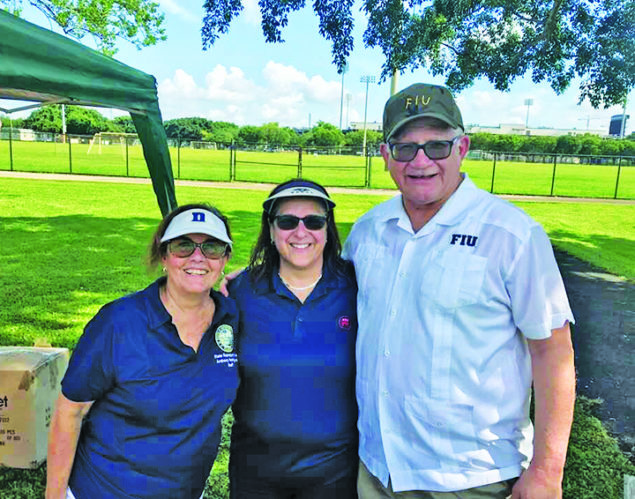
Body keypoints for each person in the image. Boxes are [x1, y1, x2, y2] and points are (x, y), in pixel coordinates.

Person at [343, 84, 576, 498]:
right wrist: (253, 283)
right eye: (404, 148)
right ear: (384, 156)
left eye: (437, 146)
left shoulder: (511, 235)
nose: (420, 161)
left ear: (462, 148)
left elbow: (552, 352)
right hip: (379, 470)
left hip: (471, 478)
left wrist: (545, 472)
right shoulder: (368, 232)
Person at [46, 204, 239, 499]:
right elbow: (70, 412)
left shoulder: (234, 317)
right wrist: (54, 495)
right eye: (183, 245)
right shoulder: (119, 323)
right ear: (164, 255)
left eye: (212, 247)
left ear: (225, 258)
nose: (198, 257)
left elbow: (287, 270)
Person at [227, 179, 358, 498]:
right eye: (287, 221)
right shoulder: (240, 291)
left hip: (335, 470)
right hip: (255, 468)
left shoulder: (359, 287)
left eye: (314, 221)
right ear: (270, 230)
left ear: (328, 230)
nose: (301, 232)